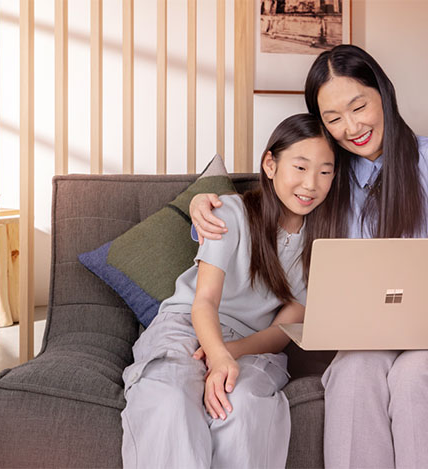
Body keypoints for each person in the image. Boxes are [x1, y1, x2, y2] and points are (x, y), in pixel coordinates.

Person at [189, 44, 428, 468]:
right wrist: (203, 210)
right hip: (383, 344)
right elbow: (273, 210)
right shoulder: (330, 180)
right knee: (354, 370)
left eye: (359, 106)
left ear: (384, 96)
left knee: (418, 377)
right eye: (333, 119)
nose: (351, 127)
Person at [121, 113, 344, 468]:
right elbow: (204, 301)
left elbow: (280, 331)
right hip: (187, 326)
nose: (311, 184)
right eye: (300, 168)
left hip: (250, 346)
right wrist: (215, 353)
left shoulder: (324, 245)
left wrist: (228, 355)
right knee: (169, 398)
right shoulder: (231, 214)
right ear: (270, 164)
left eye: (325, 171)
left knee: (242, 408)